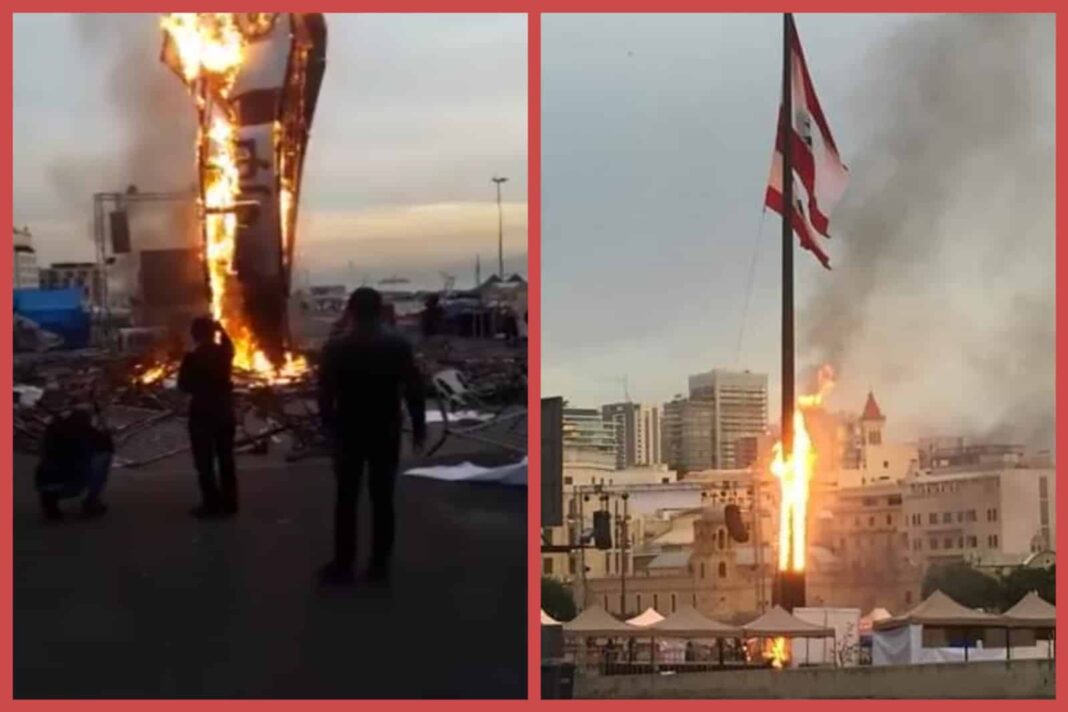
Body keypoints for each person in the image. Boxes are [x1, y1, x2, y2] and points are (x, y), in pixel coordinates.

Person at [317, 287, 427, 585]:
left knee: (346, 498)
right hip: (385, 427)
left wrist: (328, 428)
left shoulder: (336, 346)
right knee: (383, 497)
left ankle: (344, 562)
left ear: (351, 310)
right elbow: (414, 388)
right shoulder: (398, 344)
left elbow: (325, 394)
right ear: (379, 309)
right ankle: (379, 563)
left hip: (349, 429)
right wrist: (418, 425)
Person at [178, 317, 237, 518]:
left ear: (195, 335)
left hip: (202, 414)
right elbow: (230, 346)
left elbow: (183, 386)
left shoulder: (192, 358)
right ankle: (230, 503)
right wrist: (222, 330)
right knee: (226, 459)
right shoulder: (224, 353)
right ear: (213, 334)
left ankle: (211, 504)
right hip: (225, 412)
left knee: (204, 462)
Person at [36, 406, 113, 520]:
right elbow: (106, 446)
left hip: (45, 478)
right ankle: (91, 501)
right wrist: (106, 434)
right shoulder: (86, 431)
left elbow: (43, 449)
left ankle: (51, 502)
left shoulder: (54, 428)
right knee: (103, 456)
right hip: (72, 477)